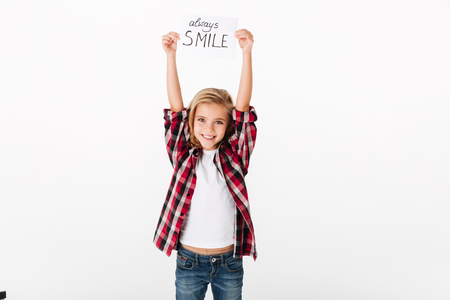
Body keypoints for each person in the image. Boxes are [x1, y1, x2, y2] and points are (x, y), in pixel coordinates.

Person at [154, 29, 257, 300]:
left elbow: (243, 110)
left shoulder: (235, 157)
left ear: (229, 126)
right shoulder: (183, 155)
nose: (208, 128)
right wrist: (171, 57)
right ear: (192, 122)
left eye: (218, 122)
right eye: (201, 120)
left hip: (229, 262)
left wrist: (246, 54)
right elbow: (176, 110)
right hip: (189, 261)